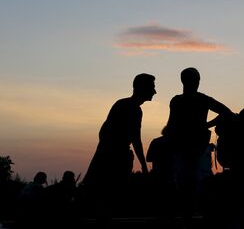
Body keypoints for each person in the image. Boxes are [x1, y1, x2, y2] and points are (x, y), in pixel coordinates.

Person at [164, 67, 231, 219]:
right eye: (195, 79)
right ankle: (189, 216)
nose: (197, 82)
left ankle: (193, 215)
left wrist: (206, 125)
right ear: (186, 81)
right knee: (187, 183)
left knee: (193, 183)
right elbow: (172, 124)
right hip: (185, 148)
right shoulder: (184, 100)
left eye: (197, 79)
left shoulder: (195, 100)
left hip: (194, 148)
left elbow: (225, 112)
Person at [82, 73, 155, 201]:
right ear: (142, 88)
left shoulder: (123, 104)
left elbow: (103, 131)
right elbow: (136, 139)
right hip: (114, 157)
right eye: (152, 87)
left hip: (109, 153)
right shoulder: (133, 109)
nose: (155, 91)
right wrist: (143, 165)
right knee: (109, 194)